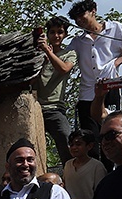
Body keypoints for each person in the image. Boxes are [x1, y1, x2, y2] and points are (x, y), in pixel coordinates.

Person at [68, 0, 122, 139]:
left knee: (111, 130)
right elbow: (64, 58)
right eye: (76, 19)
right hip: (87, 92)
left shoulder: (114, 28)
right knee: (89, 136)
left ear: (93, 11)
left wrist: (115, 64)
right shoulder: (78, 41)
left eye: (82, 15)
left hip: (110, 86)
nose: (80, 21)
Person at [33, 15, 77, 165]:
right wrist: (42, 56)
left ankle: (71, 174)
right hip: (36, 107)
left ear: (66, 34)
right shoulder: (38, 54)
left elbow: (64, 68)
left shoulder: (69, 53)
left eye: (60, 32)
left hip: (55, 109)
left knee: (67, 141)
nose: (56, 35)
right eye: (52, 32)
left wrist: (48, 52)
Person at [62, 130, 105, 199]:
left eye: (78, 144)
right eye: (71, 145)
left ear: (89, 146)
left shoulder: (97, 167)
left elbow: (101, 195)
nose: (74, 147)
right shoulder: (68, 165)